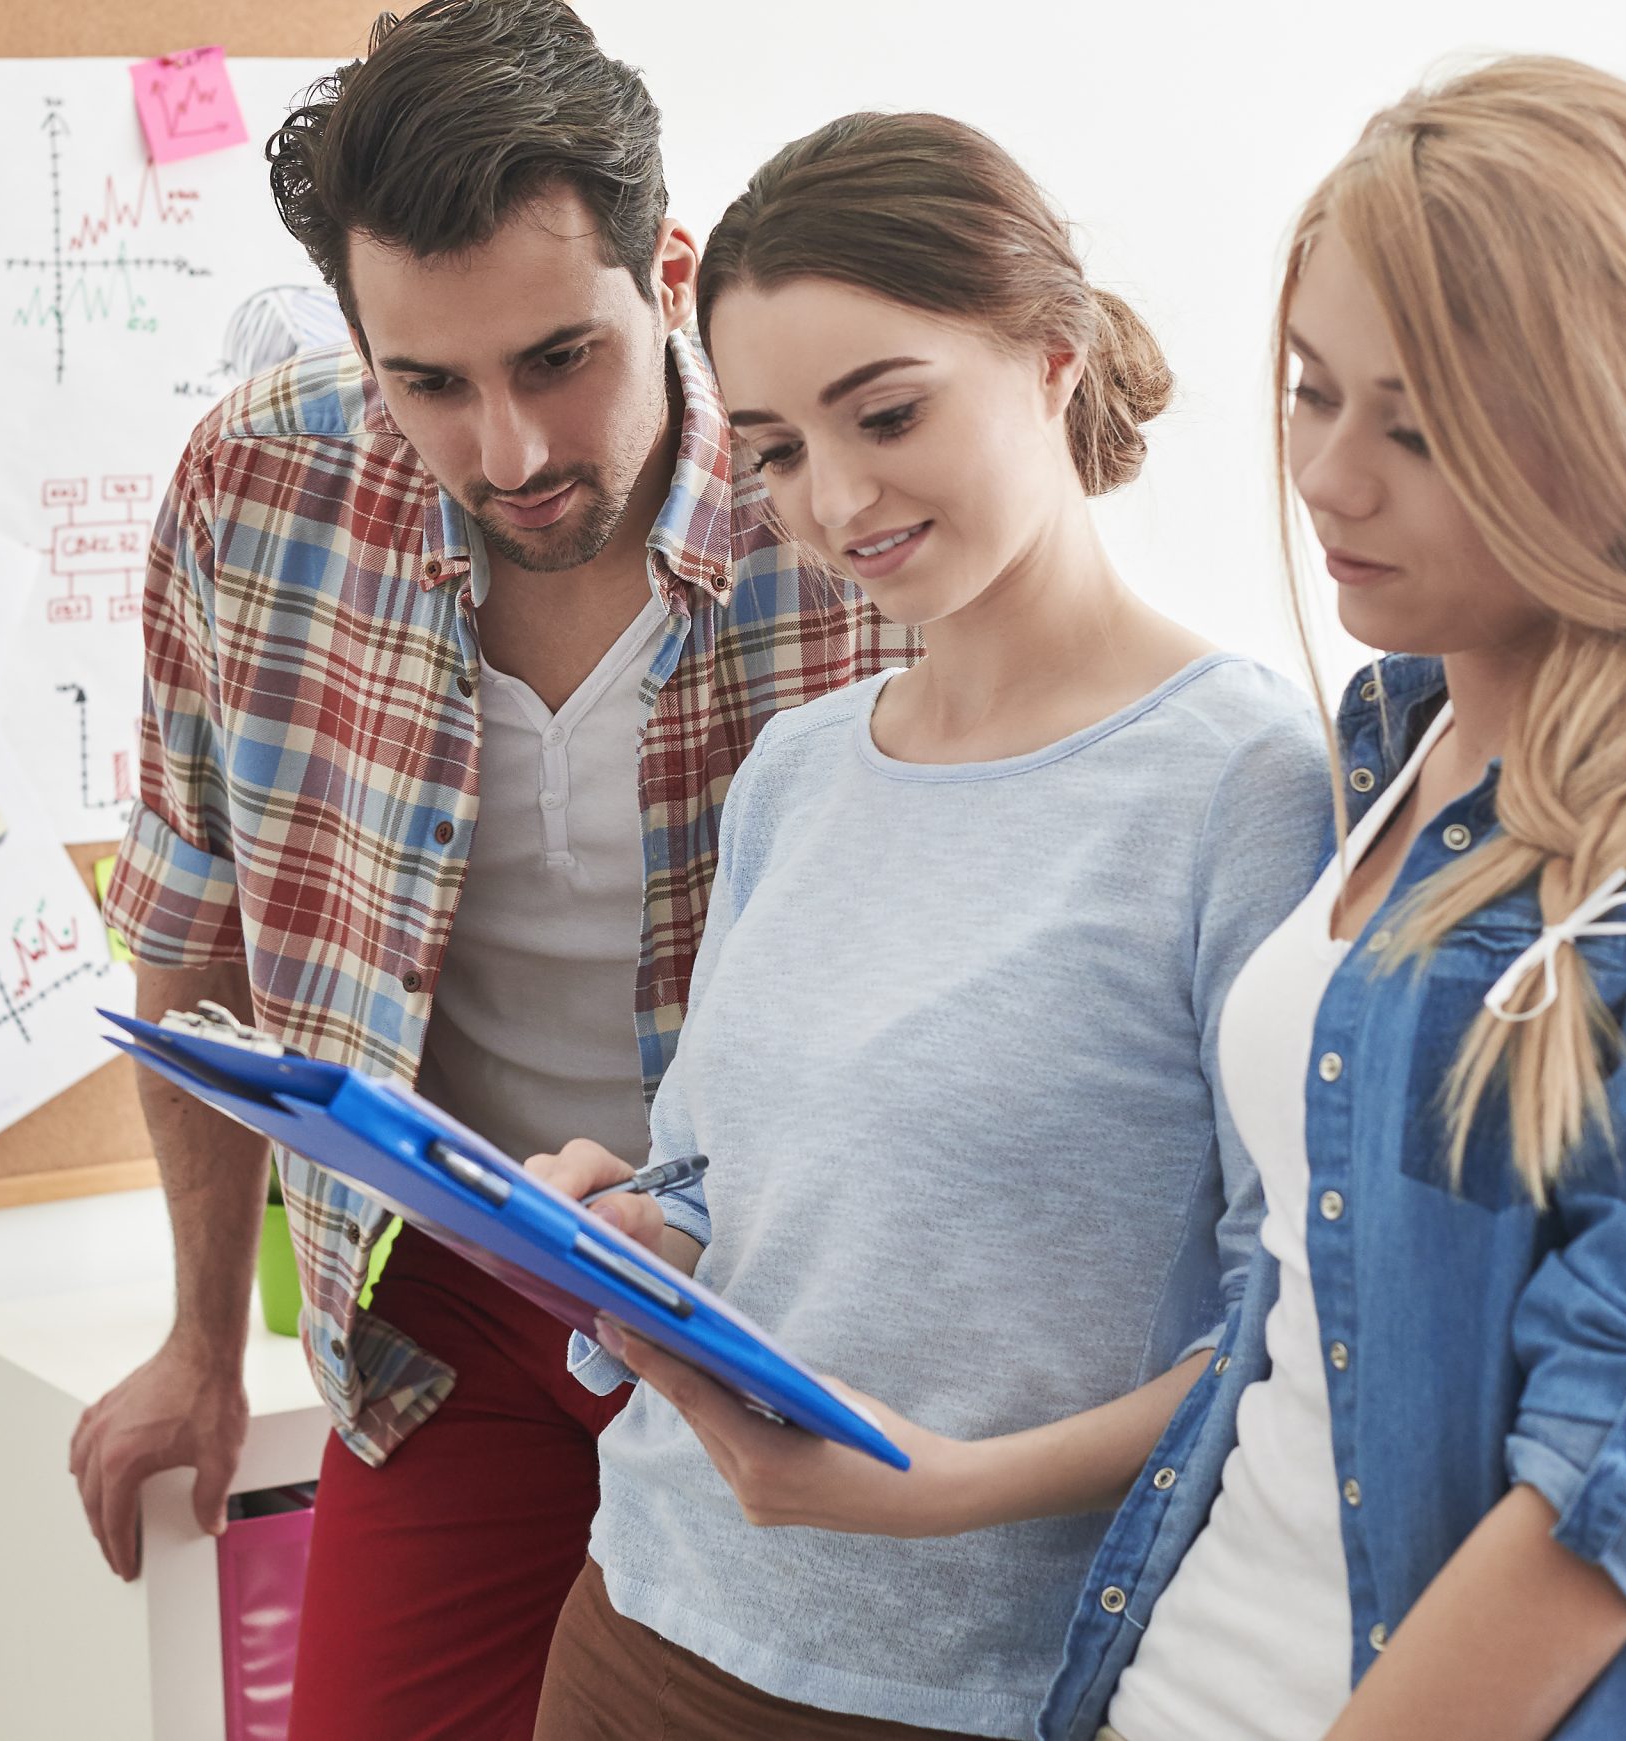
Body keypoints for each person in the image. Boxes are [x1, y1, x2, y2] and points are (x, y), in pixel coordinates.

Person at [597, 56, 1626, 1741]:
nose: (1330, 478)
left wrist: (960, 1485)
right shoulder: (1394, 748)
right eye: (1312, 393)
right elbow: (1299, 1319)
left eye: (1415, 425)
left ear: (1625, 410)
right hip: (1164, 1667)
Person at [70, 5, 910, 1735]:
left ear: (667, 275)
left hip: (779, 1302)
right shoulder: (259, 486)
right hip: (447, 1293)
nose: (510, 452)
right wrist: (201, 1339)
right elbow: (191, 938)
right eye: (430, 384)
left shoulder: (843, 511)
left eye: (557, 358)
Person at [523, 113, 1331, 1740]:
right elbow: (720, 1178)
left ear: (1053, 358)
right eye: (774, 451)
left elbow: (1296, 1329)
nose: (834, 500)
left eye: (886, 413)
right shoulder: (798, 768)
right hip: (639, 1618)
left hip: (959, 1681)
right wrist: (630, 1230)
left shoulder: (1249, 789)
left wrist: (952, 1484)